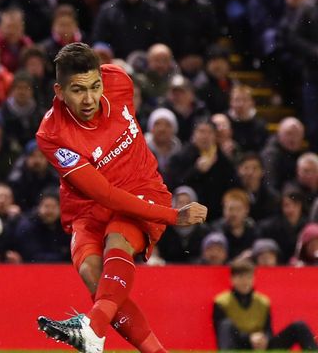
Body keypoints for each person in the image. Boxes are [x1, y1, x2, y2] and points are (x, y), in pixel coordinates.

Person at [35, 42, 207, 352]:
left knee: (118, 240)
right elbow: (103, 194)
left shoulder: (120, 80)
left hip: (142, 191)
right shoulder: (52, 135)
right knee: (94, 277)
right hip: (88, 207)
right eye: (77, 90)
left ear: (103, 78)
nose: (89, 99)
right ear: (59, 91)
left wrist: (165, 211)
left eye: (94, 86)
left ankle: (92, 330)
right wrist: (174, 215)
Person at [213, 259, 317, 350]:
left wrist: (264, 338)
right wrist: (250, 338)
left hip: (262, 345)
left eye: (249, 277)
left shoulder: (263, 301)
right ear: (232, 279)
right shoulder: (222, 302)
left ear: (254, 279)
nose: (245, 282)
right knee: (226, 324)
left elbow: (268, 330)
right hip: (238, 345)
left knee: (299, 326)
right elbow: (223, 334)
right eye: (241, 277)